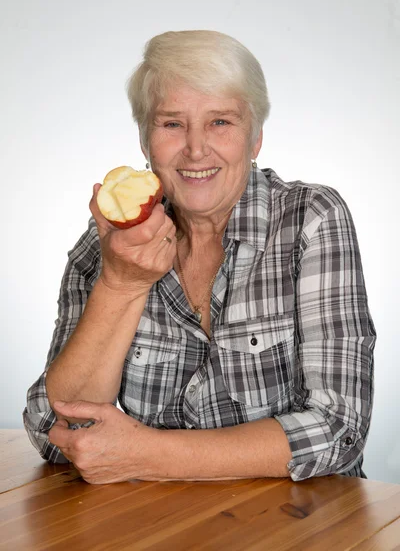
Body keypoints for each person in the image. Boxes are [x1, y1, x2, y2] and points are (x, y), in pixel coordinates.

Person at [23, 30, 375, 483]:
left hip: (301, 526)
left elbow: (339, 431)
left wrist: (149, 455)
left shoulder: (311, 218)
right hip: (159, 524)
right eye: (172, 123)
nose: (194, 149)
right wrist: (121, 285)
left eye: (220, 123)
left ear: (255, 139)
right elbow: (56, 433)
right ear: (145, 141)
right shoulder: (108, 246)